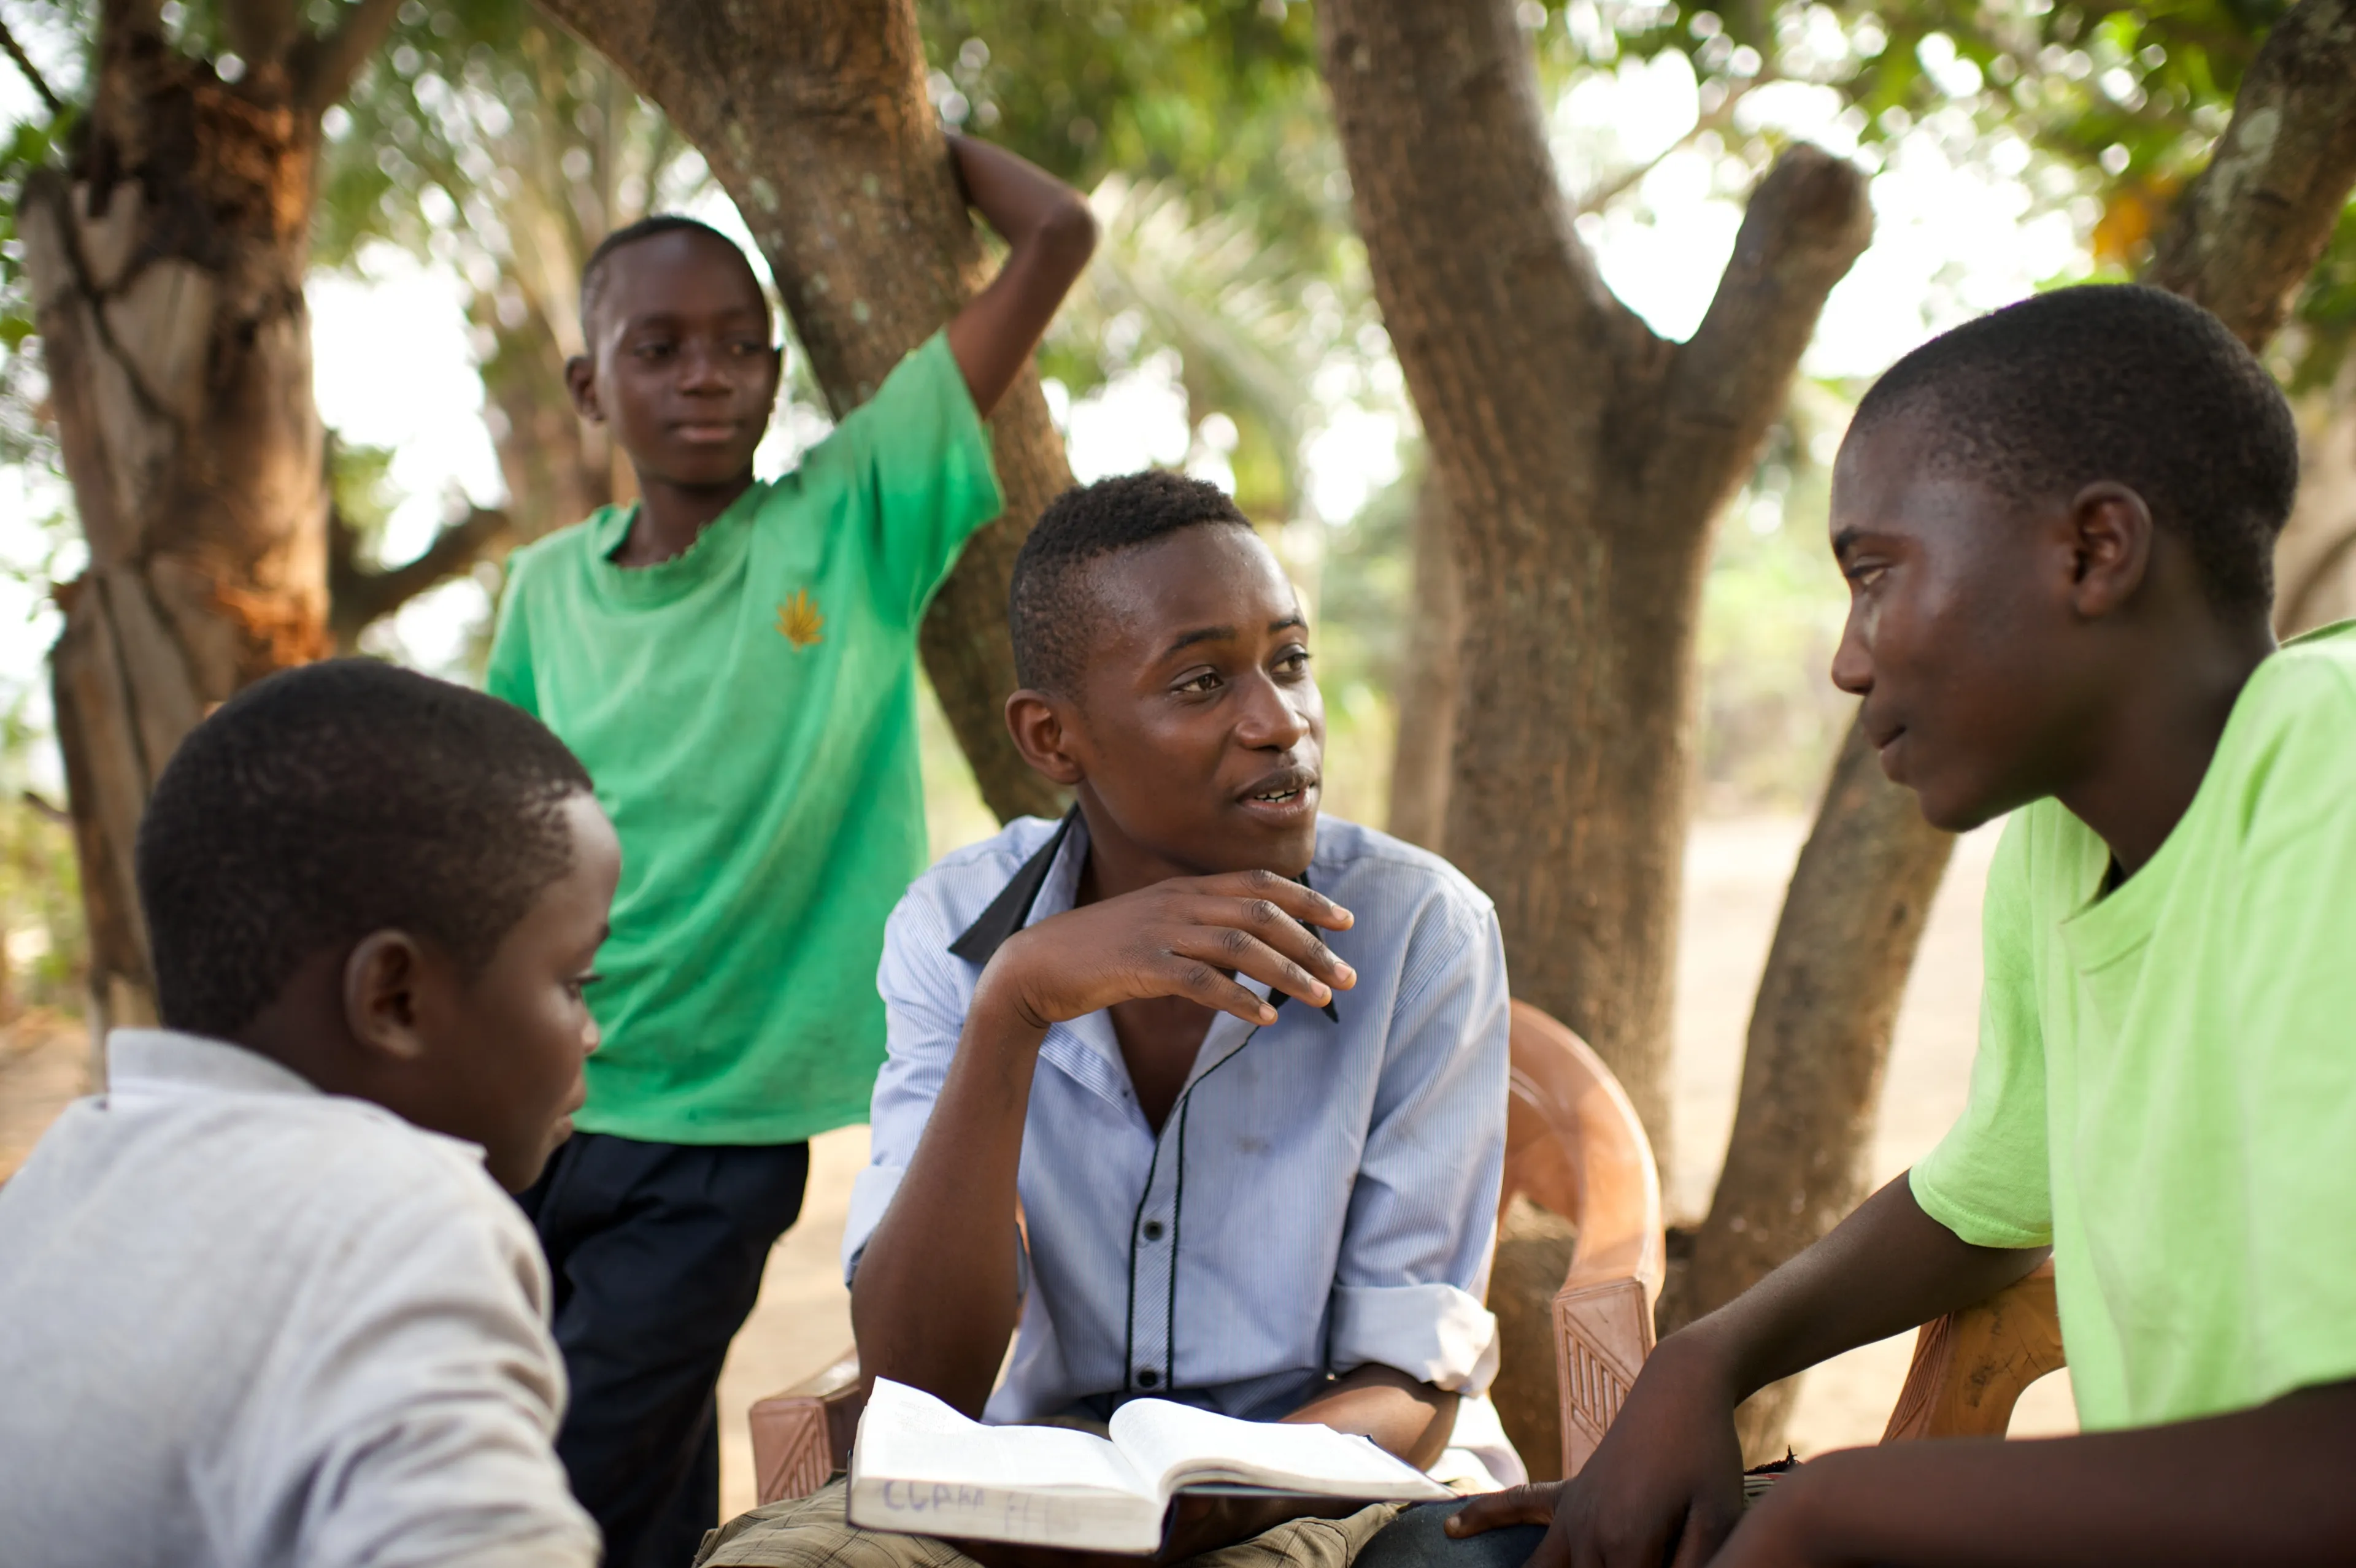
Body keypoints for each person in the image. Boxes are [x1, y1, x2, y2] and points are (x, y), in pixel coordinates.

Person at [1439, 283, 2356, 1568]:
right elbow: (1988, 1200)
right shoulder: (2064, 835)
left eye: (1876, 576)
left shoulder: (2332, 762)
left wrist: (1827, 1511)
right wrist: (1706, 1359)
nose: (1849, 661)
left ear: (2095, 552)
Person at [698, 470, 1519, 1568]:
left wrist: (1188, 1514)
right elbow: (919, 1376)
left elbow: (1406, 1385)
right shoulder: (956, 930)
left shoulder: (1422, 930)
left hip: (1337, 1485)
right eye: (1200, 683)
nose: (1279, 723)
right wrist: (1014, 1008)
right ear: (1052, 739)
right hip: (1046, 1489)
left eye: (1289, 661)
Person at [485, 137, 1094, 1564]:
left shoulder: (848, 523)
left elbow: (1057, 236)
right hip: (541, 1106)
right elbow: (495, 838)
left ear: (776, 376)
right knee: (599, 1460)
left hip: (721, 1127)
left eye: (740, 349)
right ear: (592, 387)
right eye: (660, 347)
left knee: (571, 1449)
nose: (707, 375)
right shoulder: (542, 596)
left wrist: (895, 131)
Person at [0, 660, 618, 1568]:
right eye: (573, 983)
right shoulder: (405, 1219)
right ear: (395, 999)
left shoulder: (50, 1192)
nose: (591, 1034)